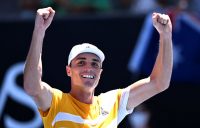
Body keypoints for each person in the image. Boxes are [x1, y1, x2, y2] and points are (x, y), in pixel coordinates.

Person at [23, 7, 173, 128]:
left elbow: (159, 83)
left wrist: (165, 35)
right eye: (81, 62)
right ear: (69, 70)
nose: (89, 68)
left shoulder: (113, 102)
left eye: (95, 64)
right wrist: (39, 31)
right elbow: (32, 86)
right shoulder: (56, 101)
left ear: (100, 73)